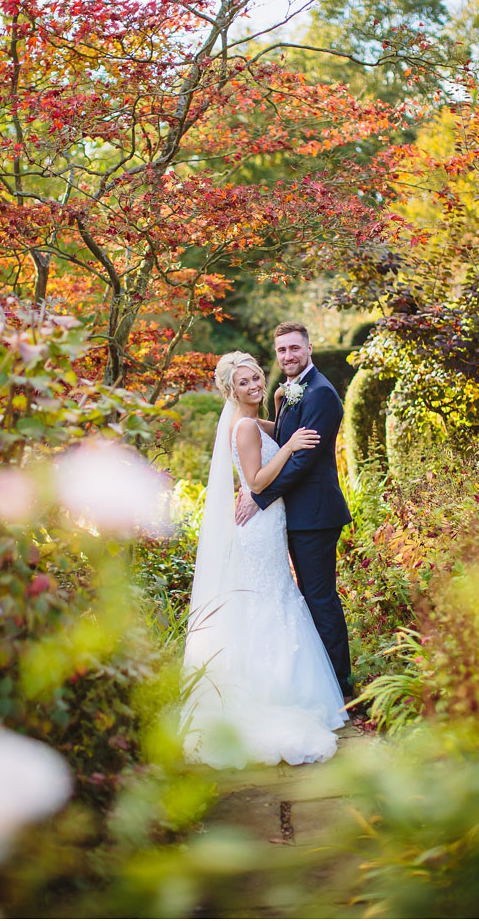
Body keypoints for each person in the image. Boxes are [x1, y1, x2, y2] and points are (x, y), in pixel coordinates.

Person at [180, 351, 347, 769]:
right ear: (230, 390)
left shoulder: (252, 421)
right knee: (269, 599)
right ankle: (272, 694)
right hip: (260, 524)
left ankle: (279, 686)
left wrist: (279, 410)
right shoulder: (243, 428)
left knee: (274, 597)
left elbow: (271, 433)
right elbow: (255, 480)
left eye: (256, 377)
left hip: (269, 523)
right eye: (244, 383)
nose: (254, 385)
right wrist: (290, 445)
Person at [235, 322, 356, 698]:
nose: (288, 355)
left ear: (308, 349)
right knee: (310, 597)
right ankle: (324, 681)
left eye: (294, 349)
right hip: (299, 516)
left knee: (321, 600)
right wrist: (246, 422)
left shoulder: (319, 394)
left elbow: (302, 462)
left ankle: (340, 687)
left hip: (316, 517)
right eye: (282, 350)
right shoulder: (287, 392)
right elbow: (284, 438)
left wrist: (258, 497)